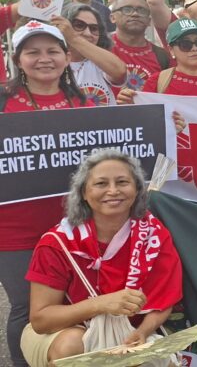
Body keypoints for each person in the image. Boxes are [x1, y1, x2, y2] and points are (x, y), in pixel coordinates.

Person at [20, 150, 181, 366]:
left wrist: (142, 332)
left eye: (122, 182)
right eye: (101, 183)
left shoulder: (153, 234)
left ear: (136, 190)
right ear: (84, 193)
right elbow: (41, 320)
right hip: (66, 332)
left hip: (130, 332)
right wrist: (101, 304)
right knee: (72, 346)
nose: (113, 191)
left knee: (161, 361)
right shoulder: (57, 243)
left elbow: (163, 301)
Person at [0, 22, 92, 367]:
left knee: (70, 302)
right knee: (26, 306)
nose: (44, 59)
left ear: (67, 57)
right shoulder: (2, 101)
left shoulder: (83, 102)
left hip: (73, 226)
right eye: (33, 52)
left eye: (53, 51)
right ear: (18, 59)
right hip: (15, 229)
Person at [117, 18, 197, 102]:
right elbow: (147, 119)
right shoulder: (157, 82)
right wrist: (132, 105)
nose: (195, 49)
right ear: (171, 50)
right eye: (185, 44)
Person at [55, 5, 125, 107]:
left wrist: (73, 38)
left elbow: (120, 72)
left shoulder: (101, 63)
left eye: (94, 28)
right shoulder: (51, 62)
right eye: (79, 25)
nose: (88, 33)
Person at [107, 0, 171, 91]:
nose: (135, 14)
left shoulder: (162, 56)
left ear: (149, 21)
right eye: (127, 9)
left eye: (142, 11)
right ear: (112, 17)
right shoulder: (99, 47)